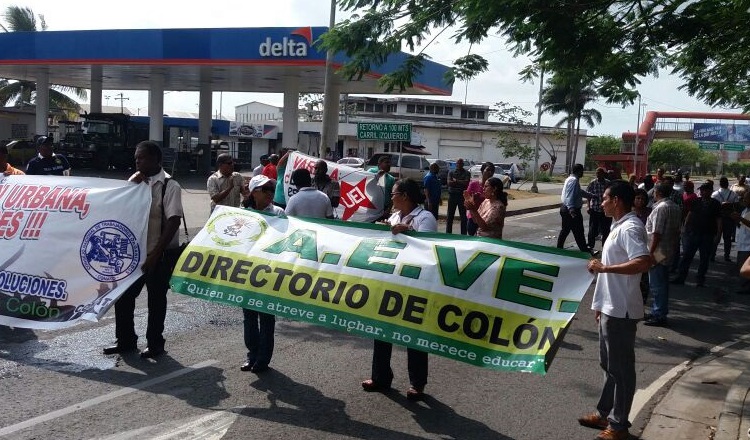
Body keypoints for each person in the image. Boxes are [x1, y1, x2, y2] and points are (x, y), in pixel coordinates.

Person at [578, 180, 651, 440]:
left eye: (605, 198)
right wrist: (599, 304)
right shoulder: (617, 225)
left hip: (622, 311)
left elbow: (643, 262)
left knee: (621, 370)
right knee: (609, 365)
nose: (601, 202)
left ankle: (618, 425)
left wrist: (605, 268)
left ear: (617, 200)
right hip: (609, 307)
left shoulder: (630, 228)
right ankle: (604, 413)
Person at [103, 141, 183, 358]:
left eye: (143, 158)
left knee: (156, 300)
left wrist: (156, 254)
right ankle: (126, 340)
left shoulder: (169, 186)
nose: (138, 162)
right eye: (136, 158)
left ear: (156, 160)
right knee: (124, 297)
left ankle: (155, 343)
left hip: (159, 254)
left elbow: (173, 221)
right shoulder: (135, 182)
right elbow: (120, 209)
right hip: (133, 254)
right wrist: (130, 184)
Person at [361, 178, 436, 401]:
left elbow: (430, 249)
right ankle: (380, 376)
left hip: (415, 284)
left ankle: (417, 383)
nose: (391, 198)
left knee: (413, 335)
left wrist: (410, 231)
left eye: (393, 194)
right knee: (381, 330)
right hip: (390, 281)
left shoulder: (425, 218)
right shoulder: (393, 216)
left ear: (404, 196)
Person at [240, 175, 285, 373]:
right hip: (246, 271)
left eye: (271, 190)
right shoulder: (242, 213)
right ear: (253, 192)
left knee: (266, 318)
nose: (269, 194)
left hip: (269, 272)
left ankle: (263, 359)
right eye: (264, 190)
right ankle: (252, 354)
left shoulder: (279, 213)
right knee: (248, 316)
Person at [644, 181, 682, 326]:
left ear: (658, 192)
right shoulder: (675, 206)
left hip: (658, 250)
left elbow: (657, 233)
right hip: (668, 248)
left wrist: (650, 253)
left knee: (657, 284)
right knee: (661, 282)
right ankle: (657, 311)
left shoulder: (661, 208)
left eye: (654, 192)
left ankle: (659, 314)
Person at [671, 181, 722, 287]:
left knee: (704, 259)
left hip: (708, 234)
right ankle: (681, 277)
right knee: (687, 256)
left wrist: (718, 235)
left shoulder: (716, 204)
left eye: (706, 190)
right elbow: (690, 214)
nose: (703, 192)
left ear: (710, 191)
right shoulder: (696, 201)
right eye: (702, 190)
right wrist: (684, 228)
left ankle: (700, 279)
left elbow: (719, 220)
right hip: (693, 233)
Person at [557, 164, 597, 255]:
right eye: (582, 171)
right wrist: (571, 209)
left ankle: (559, 249)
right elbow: (569, 195)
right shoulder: (574, 180)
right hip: (571, 210)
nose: (583, 173)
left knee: (566, 230)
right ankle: (584, 250)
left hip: (566, 208)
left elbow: (579, 192)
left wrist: (591, 195)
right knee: (578, 230)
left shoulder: (570, 179)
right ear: (579, 171)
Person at [712, 176, 739, 262]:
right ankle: (726, 256)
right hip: (729, 219)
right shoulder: (733, 194)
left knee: (716, 237)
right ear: (727, 184)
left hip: (717, 219)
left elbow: (712, 207)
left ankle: (712, 255)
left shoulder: (715, 194)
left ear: (720, 184)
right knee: (727, 238)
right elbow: (737, 206)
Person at [465, 162, 494, 236]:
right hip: (473, 217)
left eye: (492, 171)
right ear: (482, 170)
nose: (490, 172)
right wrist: (472, 200)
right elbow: (466, 201)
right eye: (488, 170)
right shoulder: (473, 184)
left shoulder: (494, 188)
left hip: (486, 218)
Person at [587, 168, 612, 249]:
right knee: (592, 229)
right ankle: (590, 246)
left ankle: (605, 247)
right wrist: (588, 206)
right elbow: (588, 195)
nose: (598, 175)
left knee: (606, 230)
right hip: (595, 209)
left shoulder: (608, 183)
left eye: (600, 173)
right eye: (597, 173)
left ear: (603, 174)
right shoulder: (593, 183)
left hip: (605, 210)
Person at [731, 191, 750, 295]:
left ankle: (746, 287)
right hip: (743, 243)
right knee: (741, 266)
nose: (744, 201)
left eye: (746, 199)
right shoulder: (745, 210)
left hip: (748, 245)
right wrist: (736, 220)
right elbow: (742, 225)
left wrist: (740, 218)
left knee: (745, 267)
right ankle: (745, 286)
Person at [445, 158, 471, 234]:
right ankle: (448, 233)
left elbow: (466, 183)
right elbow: (449, 183)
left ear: (463, 164)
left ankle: (463, 234)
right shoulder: (451, 172)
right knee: (450, 216)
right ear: (456, 164)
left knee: (463, 217)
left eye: (460, 163)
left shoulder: (467, 173)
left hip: (462, 196)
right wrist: (460, 182)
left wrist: (456, 181)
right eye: (458, 163)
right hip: (452, 195)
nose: (459, 165)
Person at [367, 155, 395, 219]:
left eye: (390, 163)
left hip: (384, 209)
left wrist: (388, 210)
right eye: (386, 162)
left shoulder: (391, 179)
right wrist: (377, 176)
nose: (389, 164)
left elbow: (392, 196)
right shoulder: (371, 172)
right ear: (379, 164)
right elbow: (365, 185)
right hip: (371, 206)